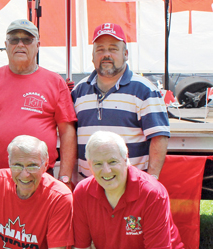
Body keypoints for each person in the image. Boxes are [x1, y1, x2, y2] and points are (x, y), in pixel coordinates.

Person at [0, 19, 77, 204]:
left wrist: (64, 178)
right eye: (14, 40)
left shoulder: (55, 82)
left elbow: (67, 133)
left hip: (39, 181)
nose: (20, 44)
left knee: (37, 232)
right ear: (6, 45)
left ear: (38, 45)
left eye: (27, 39)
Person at [71, 23, 170, 179]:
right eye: (100, 49)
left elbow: (159, 137)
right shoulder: (79, 91)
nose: (106, 55)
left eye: (113, 49)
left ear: (126, 54)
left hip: (131, 186)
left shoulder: (145, 90)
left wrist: (152, 178)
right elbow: (71, 137)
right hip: (89, 186)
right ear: (92, 56)